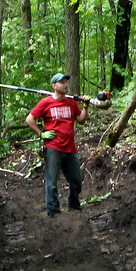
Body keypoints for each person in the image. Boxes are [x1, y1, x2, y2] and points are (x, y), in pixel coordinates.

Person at [26, 73, 88, 216]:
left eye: (66, 82)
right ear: (54, 86)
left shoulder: (71, 103)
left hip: (70, 148)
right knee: (52, 182)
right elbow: (30, 119)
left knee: (76, 180)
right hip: (53, 148)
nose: (65, 84)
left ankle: (74, 207)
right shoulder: (46, 102)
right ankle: (53, 212)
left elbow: (81, 119)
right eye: (62, 82)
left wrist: (85, 106)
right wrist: (41, 134)